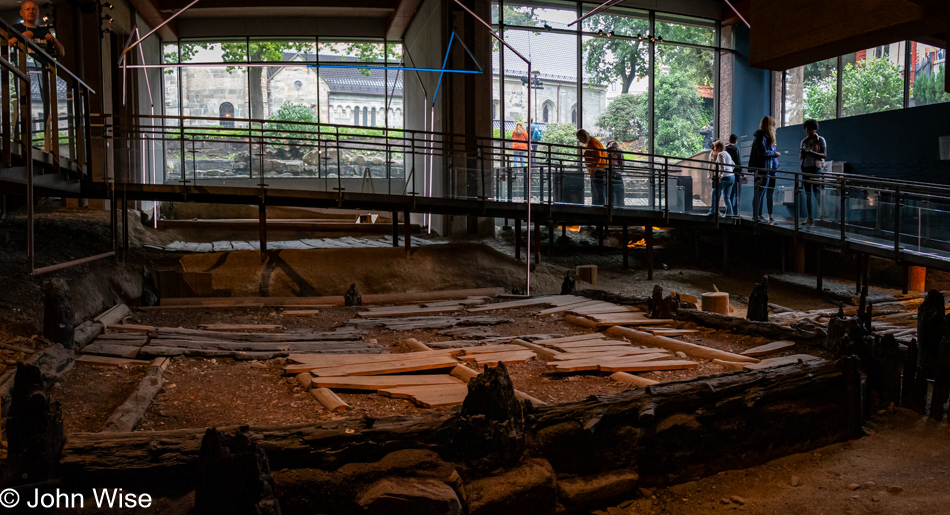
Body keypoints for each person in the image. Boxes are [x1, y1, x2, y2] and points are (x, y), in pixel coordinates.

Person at [749, 116, 781, 224]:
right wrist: (774, 154)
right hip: (762, 170)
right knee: (760, 193)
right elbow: (762, 153)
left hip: (768, 170)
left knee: (762, 193)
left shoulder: (765, 137)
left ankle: (760, 215)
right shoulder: (761, 136)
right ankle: (757, 216)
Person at [799, 119, 827, 225]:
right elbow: (801, 157)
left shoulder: (820, 140)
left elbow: (824, 155)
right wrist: (803, 153)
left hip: (816, 169)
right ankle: (809, 217)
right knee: (808, 194)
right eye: (807, 131)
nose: (809, 133)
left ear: (815, 130)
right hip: (805, 168)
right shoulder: (804, 141)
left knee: (817, 193)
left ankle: (822, 216)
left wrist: (811, 152)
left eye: (811, 131)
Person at [576, 129, 607, 206]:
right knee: (595, 190)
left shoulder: (593, 143)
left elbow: (598, 158)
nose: (580, 141)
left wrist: (593, 171)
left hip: (598, 170)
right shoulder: (590, 142)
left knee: (598, 191)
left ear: (585, 136)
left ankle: (600, 208)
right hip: (596, 170)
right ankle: (596, 206)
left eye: (581, 139)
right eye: (579, 139)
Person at [707, 140, 736, 216]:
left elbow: (722, 167)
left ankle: (713, 211)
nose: (714, 148)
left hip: (725, 178)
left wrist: (720, 177)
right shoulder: (727, 153)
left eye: (715, 147)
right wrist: (730, 171)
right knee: (727, 197)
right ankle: (730, 214)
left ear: (719, 147)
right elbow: (733, 164)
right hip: (731, 177)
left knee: (714, 193)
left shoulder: (720, 154)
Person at [725, 134, 743, 215]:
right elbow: (738, 162)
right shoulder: (736, 149)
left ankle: (729, 211)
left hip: (728, 173)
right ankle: (735, 211)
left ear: (729, 140)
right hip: (736, 173)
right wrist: (741, 173)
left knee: (729, 194)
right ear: (736, 142)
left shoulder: (725, 149)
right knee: (737, 194)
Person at [605, 140, 625, 207]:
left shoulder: (617, 151)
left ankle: (615, 207)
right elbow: (622, 165)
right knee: (618, 194)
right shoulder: (608, 152)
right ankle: (618, 208)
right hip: (614, 174)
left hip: (612, 174)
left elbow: (622, 164)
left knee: (613, 194)